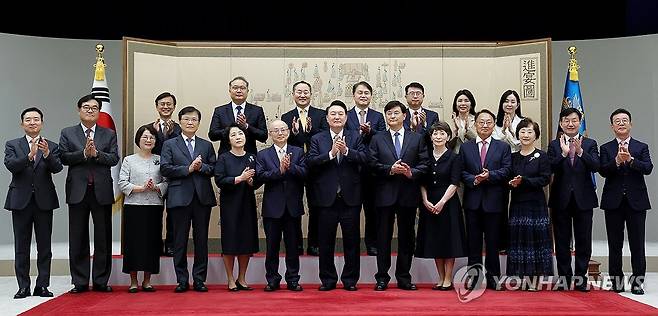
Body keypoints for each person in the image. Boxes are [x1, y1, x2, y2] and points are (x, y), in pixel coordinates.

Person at [59, 94, 119, 293]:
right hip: (77, 190)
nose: (91, 110)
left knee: (103, 237)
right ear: (79, 110)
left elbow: (113, 159)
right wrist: (84, 154)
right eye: (86, 107)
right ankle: (80, 281)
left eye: (95, 107)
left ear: (99, 111)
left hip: (101, 190)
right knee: (78, 237)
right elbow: (64, 158)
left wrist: (97, 154)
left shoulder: (108, 134)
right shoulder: (68, 132)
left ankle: (101, 280)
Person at [369, 100, 429, 291]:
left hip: (408, 195)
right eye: (388, 113)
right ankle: (382, 278)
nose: (392, 116)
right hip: (384, 195)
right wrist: (390, 170)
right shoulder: (378, 138)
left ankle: (404, 277)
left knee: (406, 238)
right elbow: (371, 164)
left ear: (405, 116)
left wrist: (412, 173)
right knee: (383, 238)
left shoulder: (417, 138)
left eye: (396, 113)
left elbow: (425, 163)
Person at [307, 100, 367, 291]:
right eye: (333, 114)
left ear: (346, 117)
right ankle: (328, 280)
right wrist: (331, 154)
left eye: (340, 114)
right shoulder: (318, 139)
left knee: (352, 242)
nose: (337, 117)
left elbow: (365, 158)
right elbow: (311, 162)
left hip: (350, 198)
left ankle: (350, 280)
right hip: (326, 199)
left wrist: (347, 151)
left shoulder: (355, 137)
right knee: (325, 243)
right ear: (327, 118)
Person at [4, 107, 62, 299]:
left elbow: (57, 168)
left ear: (42, 123)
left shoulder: (51, 145)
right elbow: (11, 166)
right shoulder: (12, 144)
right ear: (22, 124)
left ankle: (42, 286)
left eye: (36, 119)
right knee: (21, 246)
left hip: (44, 201)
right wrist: (29, 155)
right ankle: (23, 287)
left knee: (44, 247)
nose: (32, 122)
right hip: (20, 201)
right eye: (28, 119)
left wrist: (46, 154)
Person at [160, 106, 217, 293]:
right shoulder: (170, 144)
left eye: (194, 119)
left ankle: (199, 279)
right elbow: (165, 169)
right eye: (186, 119)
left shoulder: (206, 145)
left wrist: (200, 168)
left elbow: (214, 169)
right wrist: (188, 169)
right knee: (180, 240)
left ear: (199, 123)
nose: (190, 122)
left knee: (201, 240)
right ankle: (182, 280)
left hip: (202, 198)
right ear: (180, 122)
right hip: (179, 197)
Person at [599, 108, 653, 295]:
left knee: (637, 243)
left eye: (624, 120)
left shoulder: (641, 147)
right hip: (613, 202)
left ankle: (638, 282)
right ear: (612, 126)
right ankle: (616, 282)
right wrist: (615, 160)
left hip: (636, 202)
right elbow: (603, 170)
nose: (621, 123)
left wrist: (630, 160)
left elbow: (648, 168)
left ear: (631, 124)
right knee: (615, 244)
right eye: (617, 121)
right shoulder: (606, 148)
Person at [548, 107, 599, 292]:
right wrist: (563, 154)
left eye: (574, 120)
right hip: (560, 199)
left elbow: (596, 166)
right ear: (561, 123)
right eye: (566, 120)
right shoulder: (554, 144)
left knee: (583, 240)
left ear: (580, 122)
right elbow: (549, 168)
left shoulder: (590, 143)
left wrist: (580, 152)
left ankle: (580, 279)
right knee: (561, 240)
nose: (570, 123)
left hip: (583, 199)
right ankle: (563, 278)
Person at [460, 109, 511, 291]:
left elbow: (506, 170)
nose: (484, 125)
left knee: (492, 243)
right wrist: (474, 179)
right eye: (481, 122)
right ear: (475, 125)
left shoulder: (503, 147)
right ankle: (474, 279)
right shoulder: (466, 147)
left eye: (489, 122)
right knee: (473, 243)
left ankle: (493, 278)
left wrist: (489, 176)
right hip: (473, 202)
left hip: (494, 202)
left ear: (493, 125)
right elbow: (461, 172)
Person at [415, 121, 466, 291]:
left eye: (442, 133)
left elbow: (454, 183)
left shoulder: (454, 157)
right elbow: (421, 182)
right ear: (430, 137)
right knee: (435, 240)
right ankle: (440, 277)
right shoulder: (426, 157)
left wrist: (442, 202)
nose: (438, 136)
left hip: (448, 203)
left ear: (448, 137)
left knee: (449, 241)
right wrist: (425, 200)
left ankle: (448, 278)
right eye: (435, 134)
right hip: (429, 202)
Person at [256, 120, 307, 292]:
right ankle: (272, 279)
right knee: (272, 247)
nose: (280, 133)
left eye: (283, 130)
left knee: (293, 246)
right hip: (272, 208)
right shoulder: (263, 155)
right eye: (276, 130)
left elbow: (305, 173)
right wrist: (279, 171)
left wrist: (290, 167)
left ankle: (293, 279)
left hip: (292, 207)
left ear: (288, 132)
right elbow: (260, 176)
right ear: (270, 134)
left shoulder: (298, 152)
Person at [281, 80, 328, 256]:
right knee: (293, 206)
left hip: (316, 168)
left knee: (316, 206)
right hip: (295, 166)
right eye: (299, 92)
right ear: (293, 95)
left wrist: (310, 131)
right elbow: (282, 142)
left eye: (306, 92)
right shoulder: (287, 117)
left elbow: (324, 139)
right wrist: (293, 134)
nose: (302, 95)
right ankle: (296, 244)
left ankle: (314, 243)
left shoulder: (321, 115)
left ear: (311, 94)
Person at [118, 125, 167, 293]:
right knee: (133, 243)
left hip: (154, 206)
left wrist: (155, 187)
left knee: (151, 243)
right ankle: (133, 281)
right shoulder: (128, 160)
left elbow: (167, 182)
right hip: (134, 207)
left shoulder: (161, 159)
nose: (148, 140)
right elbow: (122, 183)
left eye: (152, 137)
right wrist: (141, 188)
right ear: (138, 140)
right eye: (145, 137)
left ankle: (147, 281)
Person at [506, 118, 553, 290]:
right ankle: (522, 278)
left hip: (536, 204)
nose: (525, 135)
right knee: (520, 240)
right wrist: (511, 182)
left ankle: (535, 280)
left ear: (536, 135)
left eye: (530, 132)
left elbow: (545, 179)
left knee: (536, 241)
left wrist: (524, 181)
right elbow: (507, 177)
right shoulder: (512, 157)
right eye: (522, 131)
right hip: (517, 203)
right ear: (517, 134)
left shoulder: (542, 156)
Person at [215, 124, 260, 291]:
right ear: (229, 140)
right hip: (230, 204)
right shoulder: (224, 157)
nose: (238, 137)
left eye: (241, 133)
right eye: (233, 134)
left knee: (246, 240)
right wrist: (239, 178)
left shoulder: (252, 157)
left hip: (247, 203)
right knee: (230, 241)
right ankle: (230, 278)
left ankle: (242, 278)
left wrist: (251, 182)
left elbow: (258, 180)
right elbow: (219, 180)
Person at [345, 81, 385, 256]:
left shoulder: (377, 116)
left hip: (372, 171)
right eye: (360, 92)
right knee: (351, 211)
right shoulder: (345, 115)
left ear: (371, 96)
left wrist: (370, 132)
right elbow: (343, 136)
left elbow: (384, 138)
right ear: (353, 95)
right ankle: (352, 246)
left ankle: (372, 243)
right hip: (351, 169)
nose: (363, 95)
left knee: (372, 210)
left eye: (366, 93)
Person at [151, 92, 181, 257]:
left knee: (173, 213)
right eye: (162, 104)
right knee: (155, 212)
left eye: (169, 104)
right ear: (157, 107)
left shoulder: (179, 128)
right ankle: (155, 246)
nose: (166, 107)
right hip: (155, 175)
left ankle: (171, 245)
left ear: (174, 107)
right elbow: (147, 147)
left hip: (174, 175)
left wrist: (170, 134)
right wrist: (156, 134)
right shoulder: (151, 128)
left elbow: (179, 150)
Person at [208, 76, 267, 155]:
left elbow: (263, 136)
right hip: (226, 157)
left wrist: (246, 126)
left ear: (247, 91)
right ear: (230, 90)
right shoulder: (220, 111)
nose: (239, 91)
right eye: (235, 88)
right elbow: (212, 135)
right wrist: (231, 129)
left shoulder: (257, 111)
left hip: (249, 155)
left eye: (242, 88)